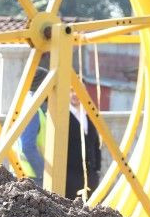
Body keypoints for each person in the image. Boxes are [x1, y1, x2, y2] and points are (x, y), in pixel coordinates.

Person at [17, 69, 101, 201]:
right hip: (37, 176)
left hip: (85, 177)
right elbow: (27, 146)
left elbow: (95, 144)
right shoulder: (39, 110)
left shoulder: (88, 114)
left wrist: (96, 170)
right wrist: (44, 173)